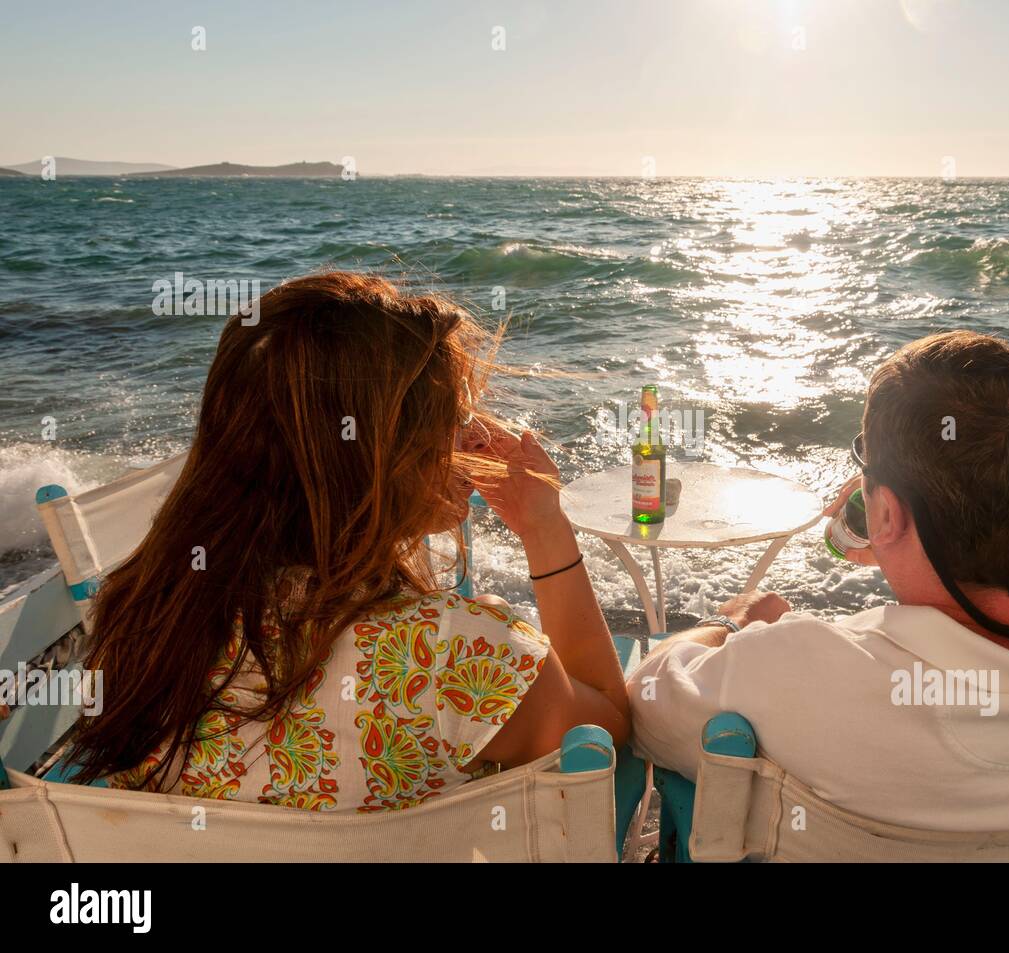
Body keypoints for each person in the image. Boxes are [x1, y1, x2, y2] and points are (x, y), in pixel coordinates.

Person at [628, 331, 1009, 832]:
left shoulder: (798, 669)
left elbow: (645, 700)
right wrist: (916, 545)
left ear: (886, 514)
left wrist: (738, 617)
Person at [64, 272, 630, 810]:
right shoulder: (453, 655)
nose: (476, 435)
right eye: (449, 417)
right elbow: (606, 728)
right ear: (367, 452)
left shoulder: (141, 617)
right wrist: (545, 529)